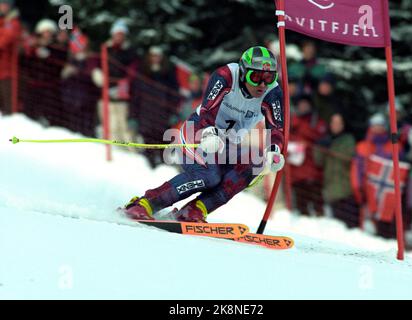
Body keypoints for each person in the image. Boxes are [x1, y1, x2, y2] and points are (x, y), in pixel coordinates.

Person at [122, 46, 285, 222]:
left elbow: (276, 128)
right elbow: (207, 111)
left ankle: (195, 209)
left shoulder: (272, 92)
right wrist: (209, 133)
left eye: (269, 77)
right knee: (208, 176)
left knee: (256, 162)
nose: (262, 84)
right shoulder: (227, 76)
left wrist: (274, 151)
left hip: (227, 143)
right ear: (244, 72)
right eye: (256, 77)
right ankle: (144, 203)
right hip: (198, 131)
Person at [130, 45, 180, 168]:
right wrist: (133, 116)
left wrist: (174, 113)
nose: (155, 58)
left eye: (157, 55)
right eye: (153, 55)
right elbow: (135, 96)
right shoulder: (141, 73)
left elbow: (174, 95)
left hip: (163, 118)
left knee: (164, 150)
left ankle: (164, 174)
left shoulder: (169, 74)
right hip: (145, 118)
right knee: (148, 149)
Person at [92, 19, 137, 143]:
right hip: (104, 94)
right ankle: (112, 149)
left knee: (122, 125)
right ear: (113, 34)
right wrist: (96, 72)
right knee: (108, 125)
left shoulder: (130, 51)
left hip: (122, 96)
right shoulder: (105, 48)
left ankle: (125, 152)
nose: (119, 36)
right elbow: (94, 62)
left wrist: (123, 85)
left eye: (122, 34)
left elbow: (132, 72)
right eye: (117, 33)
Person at [314, 113, 359, 228]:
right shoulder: (327, 139)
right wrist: (319, 148)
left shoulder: (348, 139)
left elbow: (348, 158)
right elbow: (319, 161)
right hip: (331, 189)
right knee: (337, 226)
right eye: (333, 123)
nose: (335, 125)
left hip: (346, 189)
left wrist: (330, 148)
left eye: (338, 123)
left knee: (349, 225)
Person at [288, 94, 327, 216]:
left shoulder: (316, 121)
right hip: (295, 170)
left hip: (312, 169)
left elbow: (321, 137)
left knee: (316, 199)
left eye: (305, 105)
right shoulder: (292, 120)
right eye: (301, 105)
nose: (303, 107)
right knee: (301, 202)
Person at [0, 0, 20, 116]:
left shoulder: (12, 22)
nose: (2, 7)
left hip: (7, 72)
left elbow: (5, 40)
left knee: (8, 108)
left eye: (4, 4)